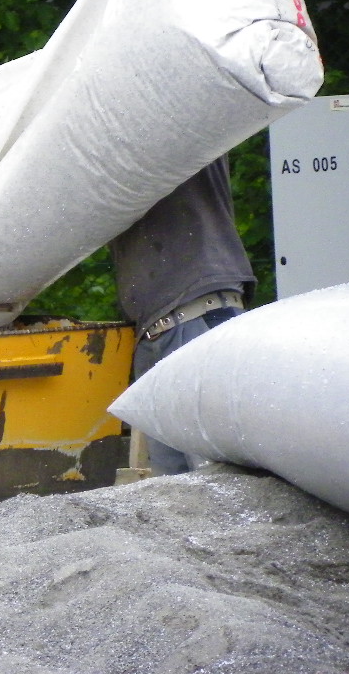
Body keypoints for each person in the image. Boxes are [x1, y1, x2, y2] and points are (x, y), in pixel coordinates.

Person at [110, 156, 254, 475]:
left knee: (220, 482)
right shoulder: (109, 159)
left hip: (198, 317)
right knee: (176, 493)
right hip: (158, 330)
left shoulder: (179, 138)